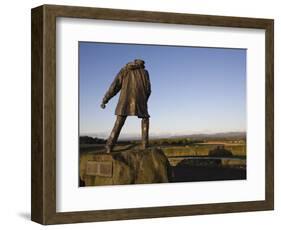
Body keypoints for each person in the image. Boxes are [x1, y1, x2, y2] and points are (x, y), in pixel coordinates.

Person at [101, 59, 151, 153]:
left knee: (119, 122)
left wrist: (105, 99)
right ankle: (145, 145)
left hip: (125, 100)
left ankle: (109, 146)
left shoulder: (125, 69)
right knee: (145, 119)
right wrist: (144, 101)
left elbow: (114, 86)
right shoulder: (145, 72)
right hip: (141, 100)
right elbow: (148, 90)